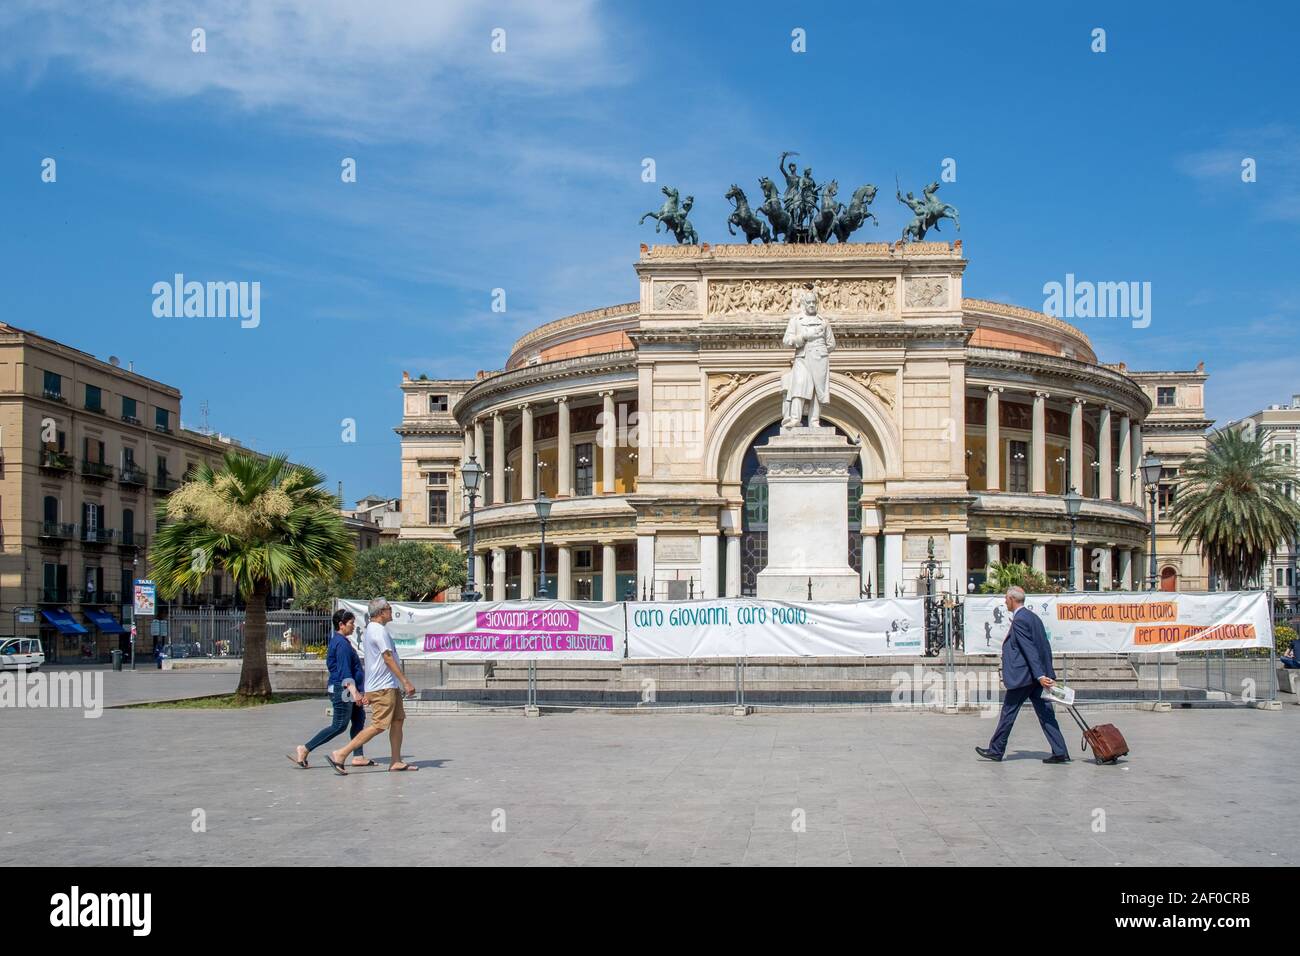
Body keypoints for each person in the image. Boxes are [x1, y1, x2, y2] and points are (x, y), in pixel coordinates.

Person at [976, 585, 1071, 764]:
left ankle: (996, 750)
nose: (1005, 602)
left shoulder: (1020, 619)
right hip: (1035, 677)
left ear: (1012, 599)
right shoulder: (1033, 617)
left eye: (1006, 599)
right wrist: (1045, 673)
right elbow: (1044, 647)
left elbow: (1029, 650)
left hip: (1025, 677)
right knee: (1046, 714)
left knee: (1008, 713)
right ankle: (1060, 751)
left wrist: (1040, 675)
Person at [327, 598, 419, 774]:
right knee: (378, 725)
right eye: (389, 608)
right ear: (381, 612)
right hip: (382, 687)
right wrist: (405, 681)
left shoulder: (376, 629)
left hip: (387, 685)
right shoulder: (377, 630)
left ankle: (396, 761)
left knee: (398, 720)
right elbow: (387, 658)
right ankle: (341, 753)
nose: (391, 611)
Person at [287, 609, 373, 769]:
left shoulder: (342, 641)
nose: (353, 627)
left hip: (349, 689)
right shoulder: (340, 643)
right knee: (339, 725)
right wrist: (354, 692)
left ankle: (358, 756)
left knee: (358, 720)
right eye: (351, 623)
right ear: (341, 624)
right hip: (344, 690)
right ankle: (305, 749)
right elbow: (344, 670)